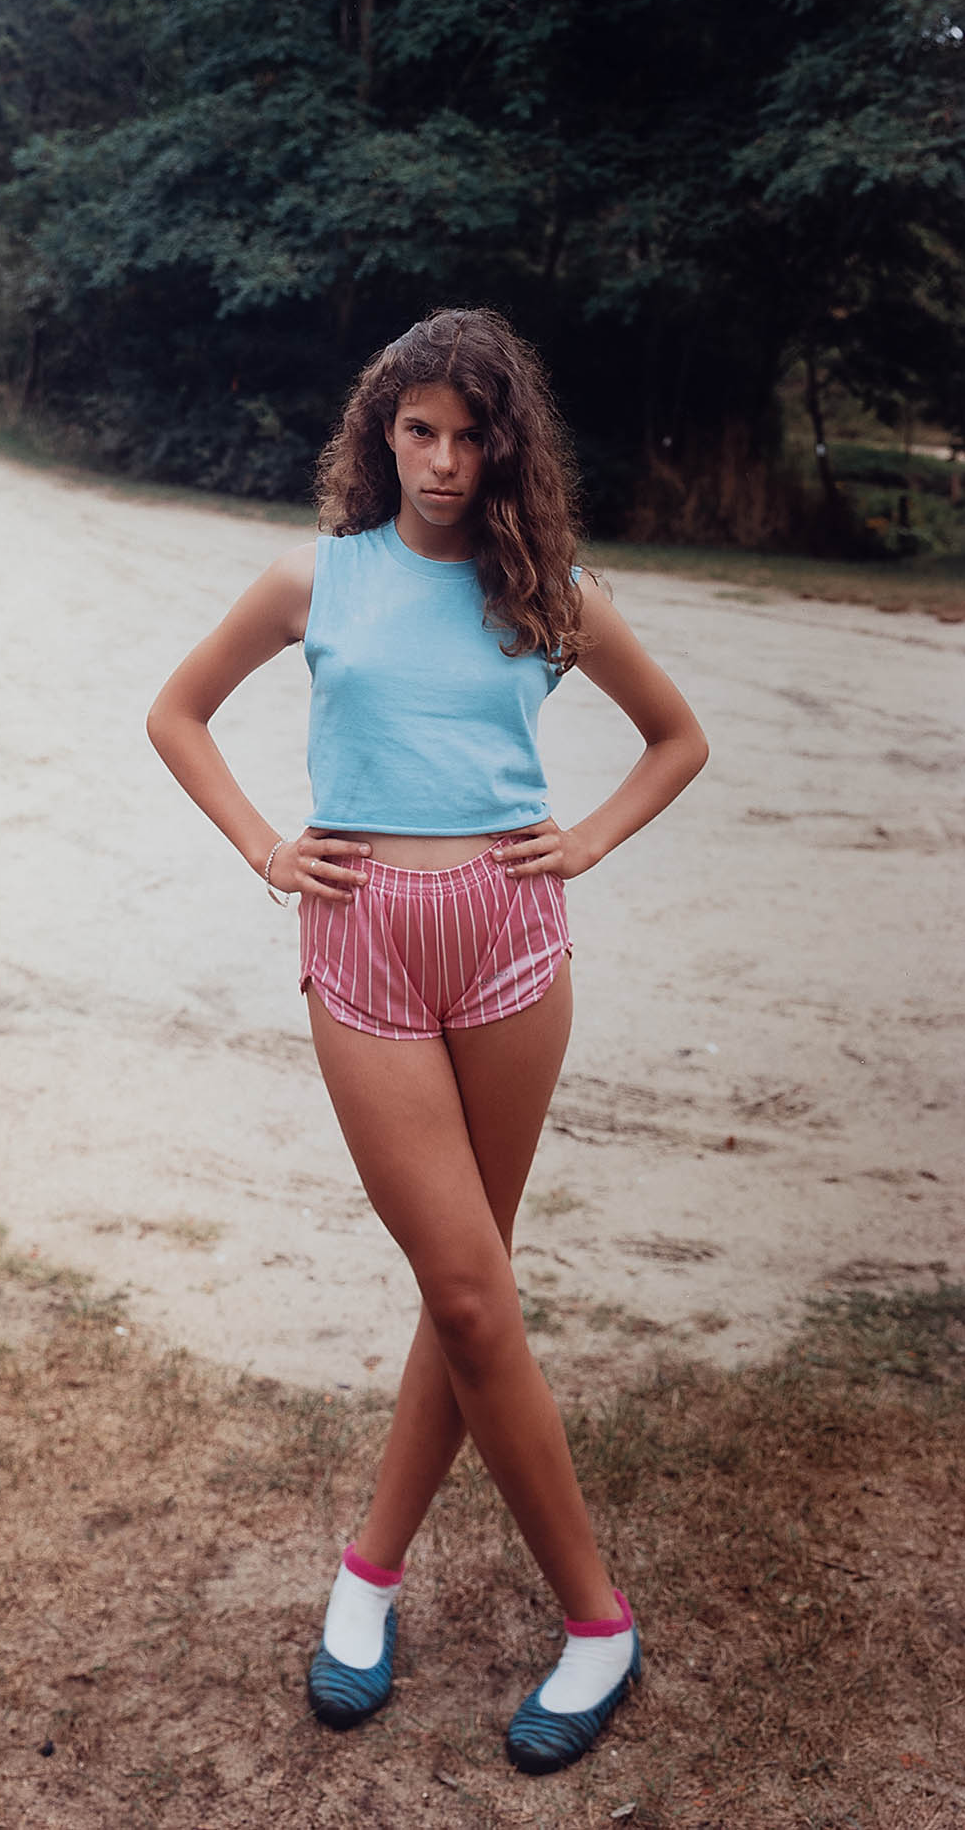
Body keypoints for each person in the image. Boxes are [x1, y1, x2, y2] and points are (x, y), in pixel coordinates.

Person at [146, 308, 707, 1774]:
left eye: (471, 436)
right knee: (467, 1289)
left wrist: (581, 839)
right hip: (365, 948)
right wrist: (269, 846)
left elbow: (677, 737)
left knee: (474, 1294)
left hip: (513, 950)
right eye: (419, 432)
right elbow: (177, 712)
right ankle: (598, 1614)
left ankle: (374, 1573)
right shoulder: (316, 577)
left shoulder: (551, 594)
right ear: (379, 434)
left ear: (504, 444)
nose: (446, 462)